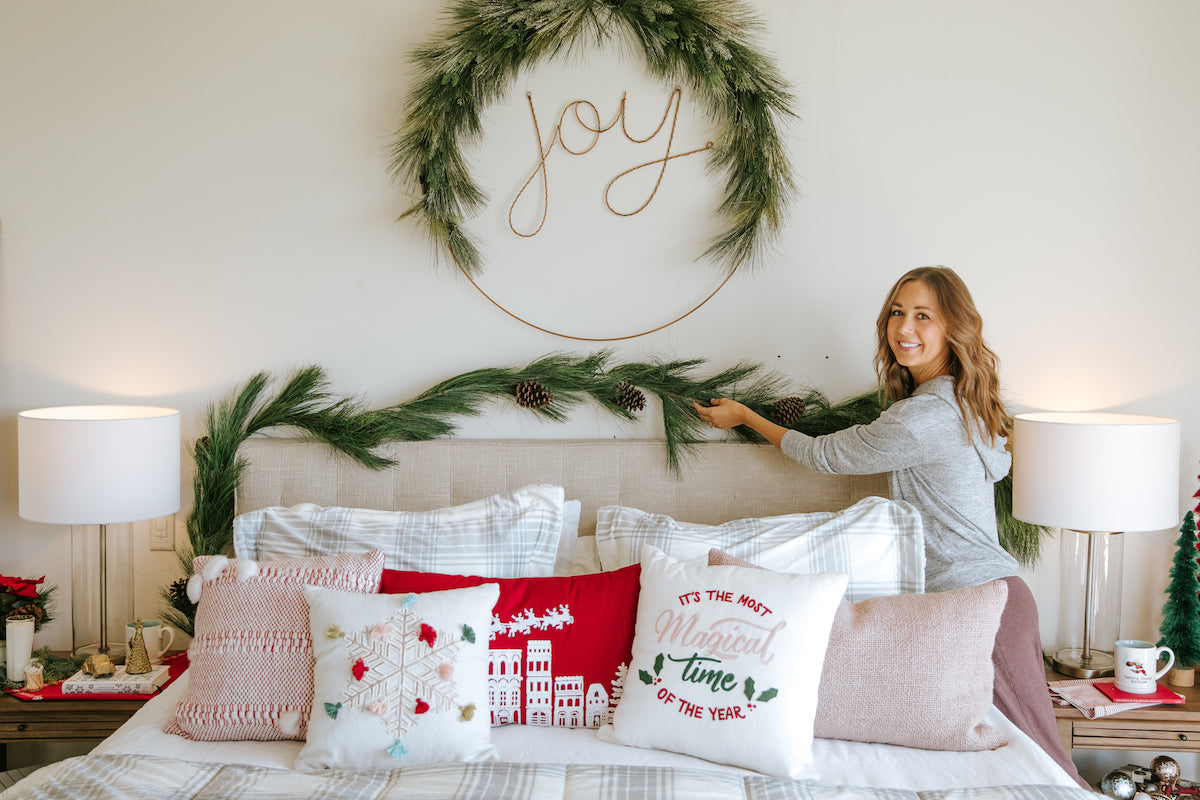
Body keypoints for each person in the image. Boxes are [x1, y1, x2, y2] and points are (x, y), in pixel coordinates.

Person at [694, 266, 1088, 790]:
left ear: (954, 327)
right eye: (897, 313)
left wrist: (747, 417)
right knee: (1019, 762)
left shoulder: (922, 418)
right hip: (980, 601)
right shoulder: (967, 402)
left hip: (983, 605)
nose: (904, 327)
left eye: (923, 315)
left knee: (1047, 764)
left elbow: (823, 454)